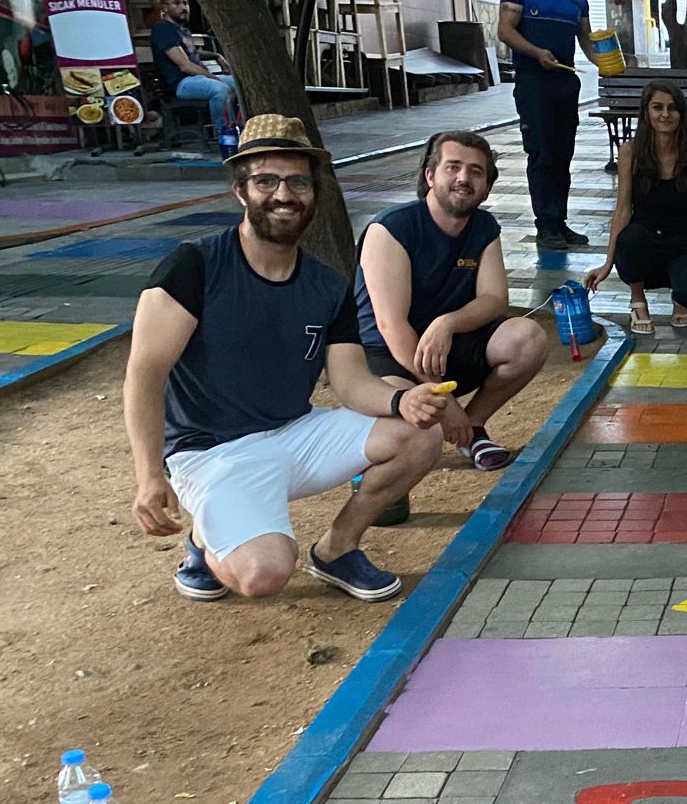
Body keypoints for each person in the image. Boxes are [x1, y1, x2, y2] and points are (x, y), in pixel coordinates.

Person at [124, 115, 446, 604]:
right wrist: (149, 475)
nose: (284, 194)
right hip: (212, 452)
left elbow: (352, 382)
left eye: (298, 181)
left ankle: (336, 549)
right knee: (264, 576)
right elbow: (145, 375)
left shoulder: (326, 284)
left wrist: (403, 400)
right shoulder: (193, 266)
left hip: (295, 433)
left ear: (313, 193)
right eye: (266, 181)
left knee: (422, 435)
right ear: (240, 191)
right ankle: (205, 536)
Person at [353, 131, 548, 470]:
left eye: (476, 171)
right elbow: (390, 324)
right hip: (387, 354)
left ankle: (470, 430)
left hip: (445, 347)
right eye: (453, 167)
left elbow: (494, 299)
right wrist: (442, 398)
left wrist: (448, 323)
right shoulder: (391, 228)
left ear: (487, 186)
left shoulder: (484, 226)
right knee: (414, 420)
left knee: (527, 338)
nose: (463, 178)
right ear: (430, 176)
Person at [498, 0, 603, 248]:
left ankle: (559, 221)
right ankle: (545, 225)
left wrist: (608, 62)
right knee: (541, 154)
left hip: (565, 82)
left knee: (562, 155)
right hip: (533, 81)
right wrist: (536, 52)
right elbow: (504, 30)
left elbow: (585, 36)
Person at [588, 79, 687, 333]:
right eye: (658, 107)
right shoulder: (630, 152)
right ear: (646, 112)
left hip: (679, 243)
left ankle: (680, 299)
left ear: (681, 113)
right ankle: (638, 300)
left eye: (672, 108)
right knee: (630, 238)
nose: (665, 115)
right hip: (642, 240)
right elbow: (623, 209)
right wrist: (607, 263)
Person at [149, 0, 241, 135]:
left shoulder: (182, 30)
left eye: (185, 3)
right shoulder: (163, 30)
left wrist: (217, 56)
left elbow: (192, 53)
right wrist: (213, 77)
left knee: (240, 84)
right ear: (165, 8)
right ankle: (224, 133)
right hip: (182, 83)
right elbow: (184, 65)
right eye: (176, 3)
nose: (183, 8)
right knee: (220, 89)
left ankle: (243, 128)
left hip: (197, 79)